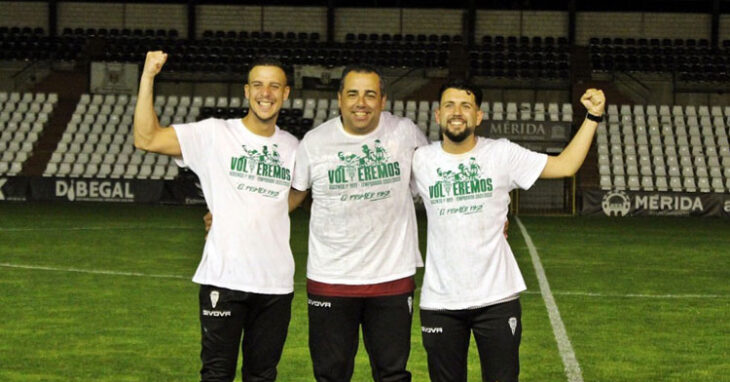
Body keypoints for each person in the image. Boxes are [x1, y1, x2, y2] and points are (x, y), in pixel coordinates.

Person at [411, 79, 605, 382]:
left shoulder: (501, 154)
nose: (457, 112)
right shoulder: (420, 160)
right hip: (440, 302)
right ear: (438, 115)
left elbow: (566, 166)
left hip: (497, 299)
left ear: (479, 116)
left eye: (466, 105)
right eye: (449, 105)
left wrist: (592, 117)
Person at [133, 50, 299, 382]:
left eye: (273, 86)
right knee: (216, 374)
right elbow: (146, 138)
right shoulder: (214, 134)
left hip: (276, 283)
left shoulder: (294, 147)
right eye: (257, 85)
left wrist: (253, 212)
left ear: (285, 93)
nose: (265, 93)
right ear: (246, 91)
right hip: (224, 278)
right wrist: (148, 77)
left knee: (263, 375)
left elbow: (297, 191)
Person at [288, 65, 428, 382]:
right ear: (340, 99)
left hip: (391, 277)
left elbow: (435, 187)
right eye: (352, 94)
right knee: (331, 374)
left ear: (383, 100)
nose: (360, 102)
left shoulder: (405, 133)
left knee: (392, 374)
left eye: (369, 94)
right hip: (331, 279)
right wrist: (233, 217)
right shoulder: (315, 142)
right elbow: (293, 197)